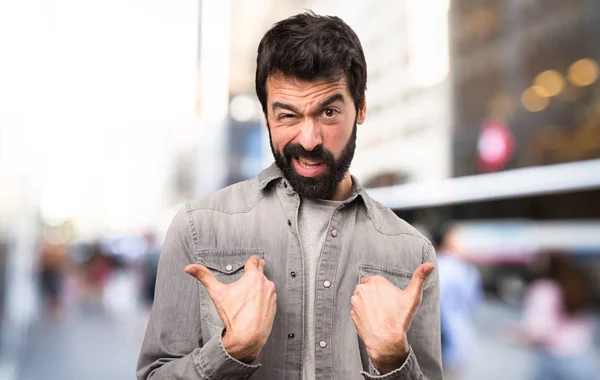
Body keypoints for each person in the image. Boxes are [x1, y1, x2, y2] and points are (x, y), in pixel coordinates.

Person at [137, 12, 441, 380]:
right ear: (266, 114)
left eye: (328, 112)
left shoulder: (412, 253)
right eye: (287, 116)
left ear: (360, 108)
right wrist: (231, 350)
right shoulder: (197, 229)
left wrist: (394, 360)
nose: (309, 139)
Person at [520, 251, 599, 380]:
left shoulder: (543, 289)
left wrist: (520, 336)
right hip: (581, 355)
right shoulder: (576, 283)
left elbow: (539, 330)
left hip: (554, 356)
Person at [432, 223, 481, 379]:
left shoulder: (431, 264)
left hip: (436, 345)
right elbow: (472, 304)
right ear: (449, 241)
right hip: (455, 343)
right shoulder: (464, 270)